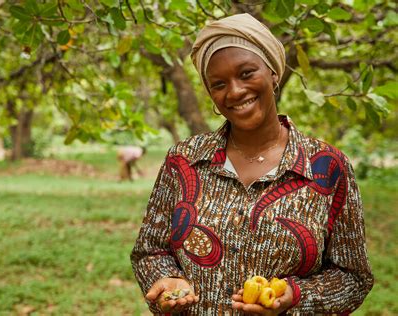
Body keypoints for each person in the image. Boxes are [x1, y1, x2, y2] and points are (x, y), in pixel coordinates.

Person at [130, 13, 374, 315]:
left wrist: (294, 297)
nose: (234, 91)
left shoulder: (327, 167)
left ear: (273, 74)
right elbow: (149, 250)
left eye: (246, 73)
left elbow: (353, 279)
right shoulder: (184, 160)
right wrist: (165, 279)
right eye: (218, 84)